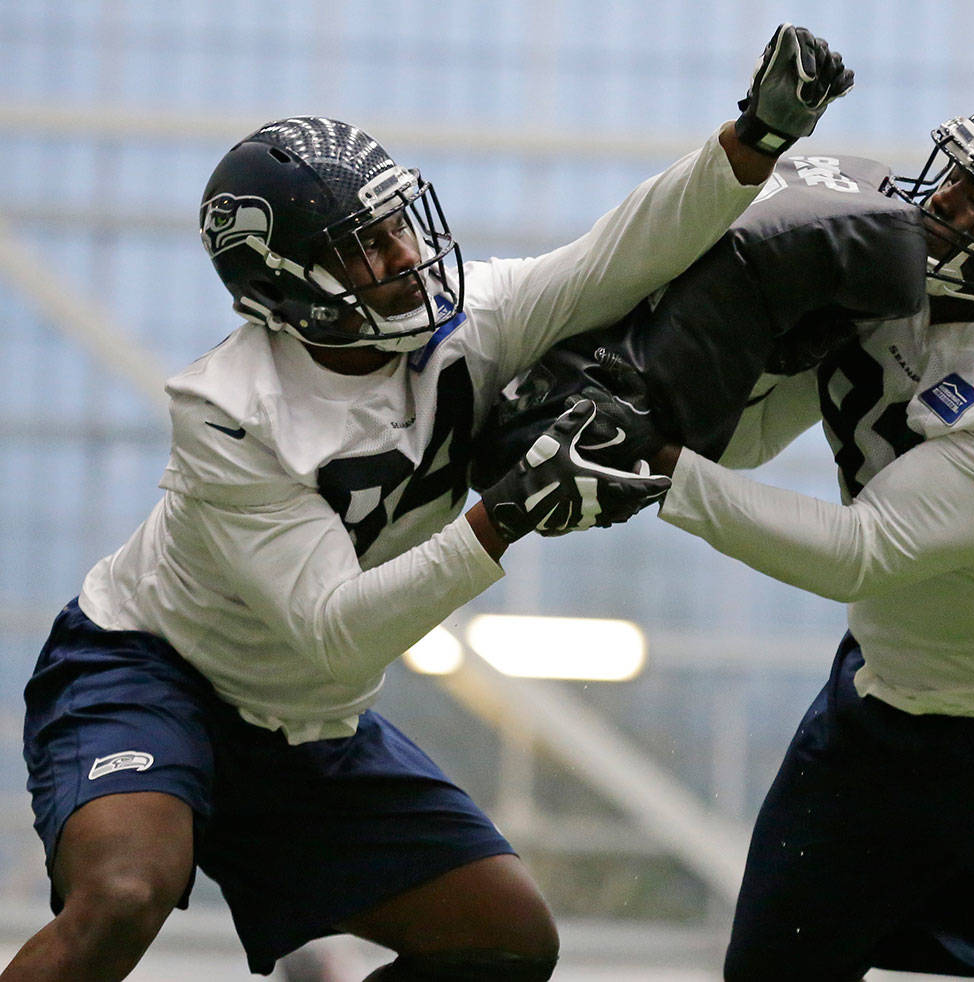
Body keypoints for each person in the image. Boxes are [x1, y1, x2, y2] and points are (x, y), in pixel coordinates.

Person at [5, 25, 854, 982]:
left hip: (308, 719)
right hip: (156, 677)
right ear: (288, 281)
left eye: (399, 222)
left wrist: (753, 139)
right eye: (367, 246)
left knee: (507, 940)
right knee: (124, 894)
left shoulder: (471, 321)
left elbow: (618, 253)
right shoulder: (231, 416)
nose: (407, 252)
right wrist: (507, 511)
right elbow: (334, 628)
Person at [549, 92, 974, 979]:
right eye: (955, 175)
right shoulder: (882, 280)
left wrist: (663, 470)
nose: (943, 201)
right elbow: (746, 442)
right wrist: (676, 382)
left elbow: (862, 550)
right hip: (890, 698)